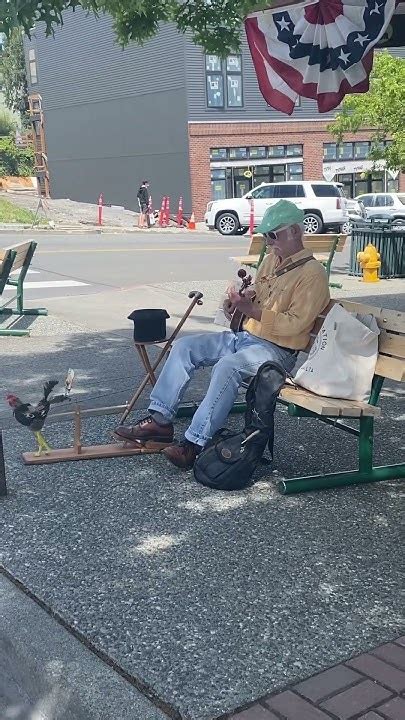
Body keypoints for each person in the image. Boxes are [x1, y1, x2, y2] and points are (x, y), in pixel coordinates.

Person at [114, 200, 330, 469]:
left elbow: (296, 324)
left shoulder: (313, 274)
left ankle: (194, 444)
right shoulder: (271, 262)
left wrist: (251, 310)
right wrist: (237, 303)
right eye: (265, 235)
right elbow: (258, 298)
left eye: (273, 235)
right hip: (247, 338)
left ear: (295, 232)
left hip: (277, 353)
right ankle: (160, 422)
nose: (269, 241)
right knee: (184, 347)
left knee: (228, 367)